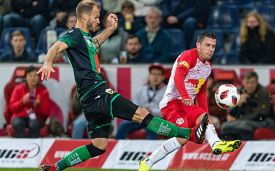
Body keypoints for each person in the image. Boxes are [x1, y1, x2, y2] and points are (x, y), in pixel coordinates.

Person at [39, 1, 205, 171]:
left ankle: (55, 168)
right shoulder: (74, 34)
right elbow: (57, 45)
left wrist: (110, 29)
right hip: (98, 92)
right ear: (84, 16)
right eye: (96, 17)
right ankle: (190, 134)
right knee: (142, 114)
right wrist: (47, 63)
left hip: (89, 99)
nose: (98, 21)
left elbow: (94, 45)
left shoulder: (85, 38)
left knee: (98, 145)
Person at [138, 32, 241, 171]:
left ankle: (216, 144)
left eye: (214, 46)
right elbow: (178, 76)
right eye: (207, 45)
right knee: (183, 138)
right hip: (172, 103)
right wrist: (185, 95)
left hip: (188, 105)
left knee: (205, 119)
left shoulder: (207, 67)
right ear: (198, 45)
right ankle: (147, 162)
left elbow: (202, 93)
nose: (211, 49)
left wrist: (205, 113)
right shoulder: (188, 55)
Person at [221, 71, 275, 140]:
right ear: (243, 82)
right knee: (225, 126)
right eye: (247, 82)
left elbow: (260, 115)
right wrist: (237, 104)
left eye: (252, 82)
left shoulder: (264, 93)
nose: (250, 85)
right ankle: (232, 149)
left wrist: (238, 119)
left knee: (244, 126)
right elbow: (231, 113)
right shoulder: (241, 91)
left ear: (257, 82)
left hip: (265, 121)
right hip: (246, 120)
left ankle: (248, 148)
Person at [116, 64, 166, 139]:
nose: (155, 77)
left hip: (156, 120)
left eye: (158, 74)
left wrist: (151, 111)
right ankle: (118, 149)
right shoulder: (141, 89)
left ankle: (152, 150)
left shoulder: (167, 91)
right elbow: (133, 106)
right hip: (141, 118)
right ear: (149, 76)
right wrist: (142, 110)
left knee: (151, 128)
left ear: (163, 77)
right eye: (153, 74)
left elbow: (165, 111)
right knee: (123, 125)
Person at [9, 66, 51, 138]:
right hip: (19, 116)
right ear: (26, 78)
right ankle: (21, 147)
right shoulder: (18, 89)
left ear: (38, 78)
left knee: (34, 125)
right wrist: (22, 102)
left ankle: (33, 147)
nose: (33, 78)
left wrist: (38, 107)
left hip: (36, 117)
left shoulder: (44, 91)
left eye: (35, 75)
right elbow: (11, 107)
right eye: (30, 75)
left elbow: (47, 113)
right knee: (18, 123)